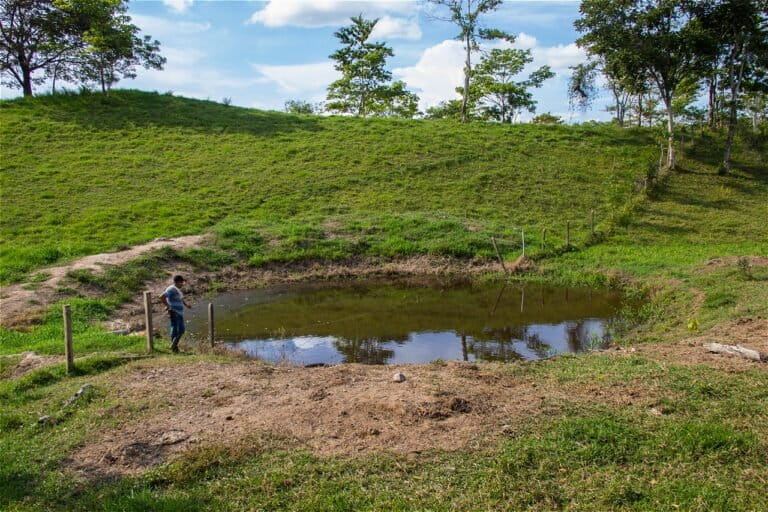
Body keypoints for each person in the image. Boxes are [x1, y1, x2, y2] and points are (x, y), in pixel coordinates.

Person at [160, 274, 191, 353]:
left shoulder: (177, 289)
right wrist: (168, 306)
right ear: (178, 282)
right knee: (175, 329)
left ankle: (174, 346)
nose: (183, 284)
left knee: (181, 330)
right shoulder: (171, 289)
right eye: (182, 282)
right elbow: (162, 297)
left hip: (179, 312)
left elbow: (180, 299)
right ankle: (174, 347)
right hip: (174, 311)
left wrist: (186, 305)